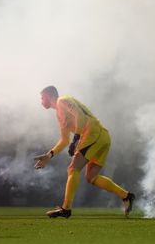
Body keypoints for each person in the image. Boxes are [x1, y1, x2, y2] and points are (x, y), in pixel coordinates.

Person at [34, 86, 134, 218]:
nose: (41, 101)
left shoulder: (62, 100)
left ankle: (66, 208)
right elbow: (64, 140)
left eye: (42, 98)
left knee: (72, 169)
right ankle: (126, 196)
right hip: (101, 136)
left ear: (48, 95)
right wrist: (49, 155)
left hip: (92, 133)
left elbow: (79, 115)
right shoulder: (59, 114)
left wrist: (76, 138)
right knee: (91, 177)